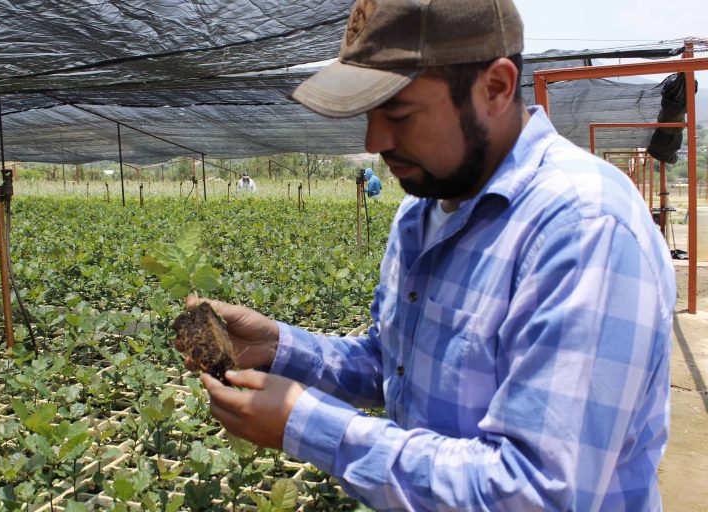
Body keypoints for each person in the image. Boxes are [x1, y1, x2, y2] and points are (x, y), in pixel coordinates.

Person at [196, 0, 676, 510]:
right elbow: (394, 366)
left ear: (496, 87)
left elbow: (535, 492)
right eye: (369, 114)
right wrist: (280, 348)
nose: (375, 140)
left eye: (398, 114)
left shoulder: (583, 227)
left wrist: (308, 424)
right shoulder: (421, 211)